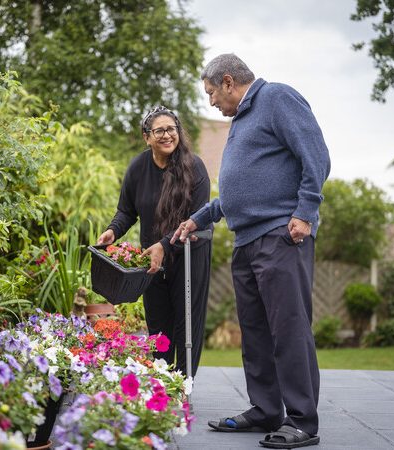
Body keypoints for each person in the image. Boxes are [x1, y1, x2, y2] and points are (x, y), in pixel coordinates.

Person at [171, 54, 331, 448]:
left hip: (281, 235)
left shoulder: (276, 98)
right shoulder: (242, 121)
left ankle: (302, 420)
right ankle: (266, 410)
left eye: (211, 93)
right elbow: (239, 190)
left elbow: (317, 157)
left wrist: (306, 212)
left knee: (288, 329)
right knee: (256, 333)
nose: (211, 103)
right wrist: (200, 217)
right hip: (246, 241)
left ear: (228, 82)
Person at [97, 105, 212, 377]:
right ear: (147, 137)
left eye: (171, 129)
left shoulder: (195, 168)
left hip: (189, 255)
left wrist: (164, 244)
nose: (167, 135)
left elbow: (197, 217)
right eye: (159, 130)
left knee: (186, 324)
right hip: (152, 259)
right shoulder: (138, 167)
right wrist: (113, 231)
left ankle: (183, 384)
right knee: (158, 324)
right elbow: (127, 211)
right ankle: (161, 382)